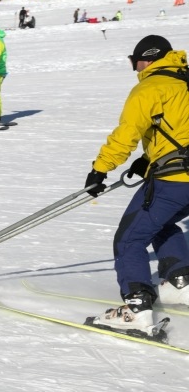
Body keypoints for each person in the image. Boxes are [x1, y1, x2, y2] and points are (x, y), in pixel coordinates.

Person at [83, 35, 189, 334]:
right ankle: (180, 283)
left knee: (129, 239)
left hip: (175, 181)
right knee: (161, 224)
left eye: (135, 61)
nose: (135, 68)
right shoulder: (184, 82)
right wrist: (149, 159)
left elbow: (127, 133)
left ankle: (137, 309)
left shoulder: (151, 87)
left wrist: (100, 170)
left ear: (148, 58)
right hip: (180, 175)